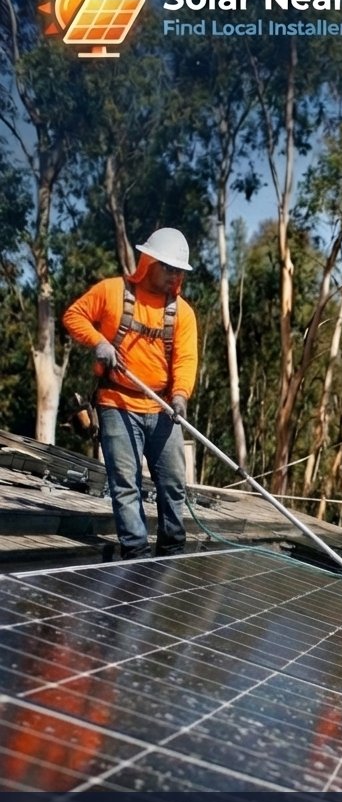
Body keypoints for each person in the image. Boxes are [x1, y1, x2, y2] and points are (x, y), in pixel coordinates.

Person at [63, 228, 198, 559]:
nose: (174, 275)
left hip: (163, 408)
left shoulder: (182, 313)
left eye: (179, 270)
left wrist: (180, 396)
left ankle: (171, 552)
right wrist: (99, 342)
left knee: (172, 485)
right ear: (148, 262)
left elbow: (185, 359)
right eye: (168, 267)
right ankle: (137, 556)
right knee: (126, 483)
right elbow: (73, 316)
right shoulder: (111, 292)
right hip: (117, 403)